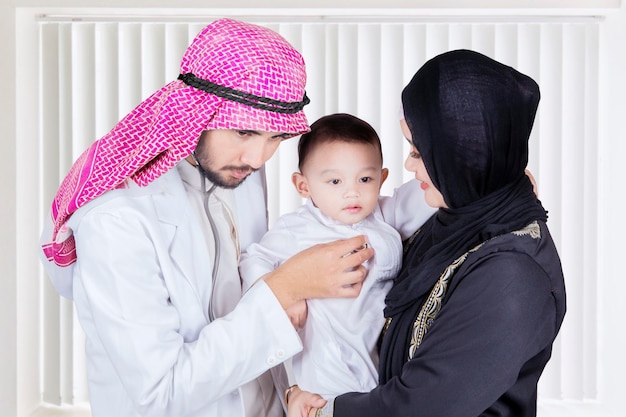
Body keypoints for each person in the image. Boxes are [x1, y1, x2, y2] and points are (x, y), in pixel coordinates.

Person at [38, 18, 374, 417]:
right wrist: (285, 286)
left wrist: (291, 388)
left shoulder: (238, 169)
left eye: (275, 138)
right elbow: (161, 393)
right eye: (245, 132)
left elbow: (243, 307)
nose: (259, 158)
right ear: (195, 111)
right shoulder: (116, 220)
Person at [287, 49, 567, 417]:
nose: (407, 164)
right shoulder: (452, 220)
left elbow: (422, 405)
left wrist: (318, 411)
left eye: (420, 151)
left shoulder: (512, 274)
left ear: (463, 157)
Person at [239, 113, 435, 400]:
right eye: (334, 182)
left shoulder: (383, 215)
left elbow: (427, 193)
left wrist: (504, 179)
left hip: (379, 368)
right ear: (303, 186)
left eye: (365, 178)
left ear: (381, 179)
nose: (352, 192)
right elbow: (255, 259)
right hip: (324, 371)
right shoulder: (297, 229)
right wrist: (279, 296)